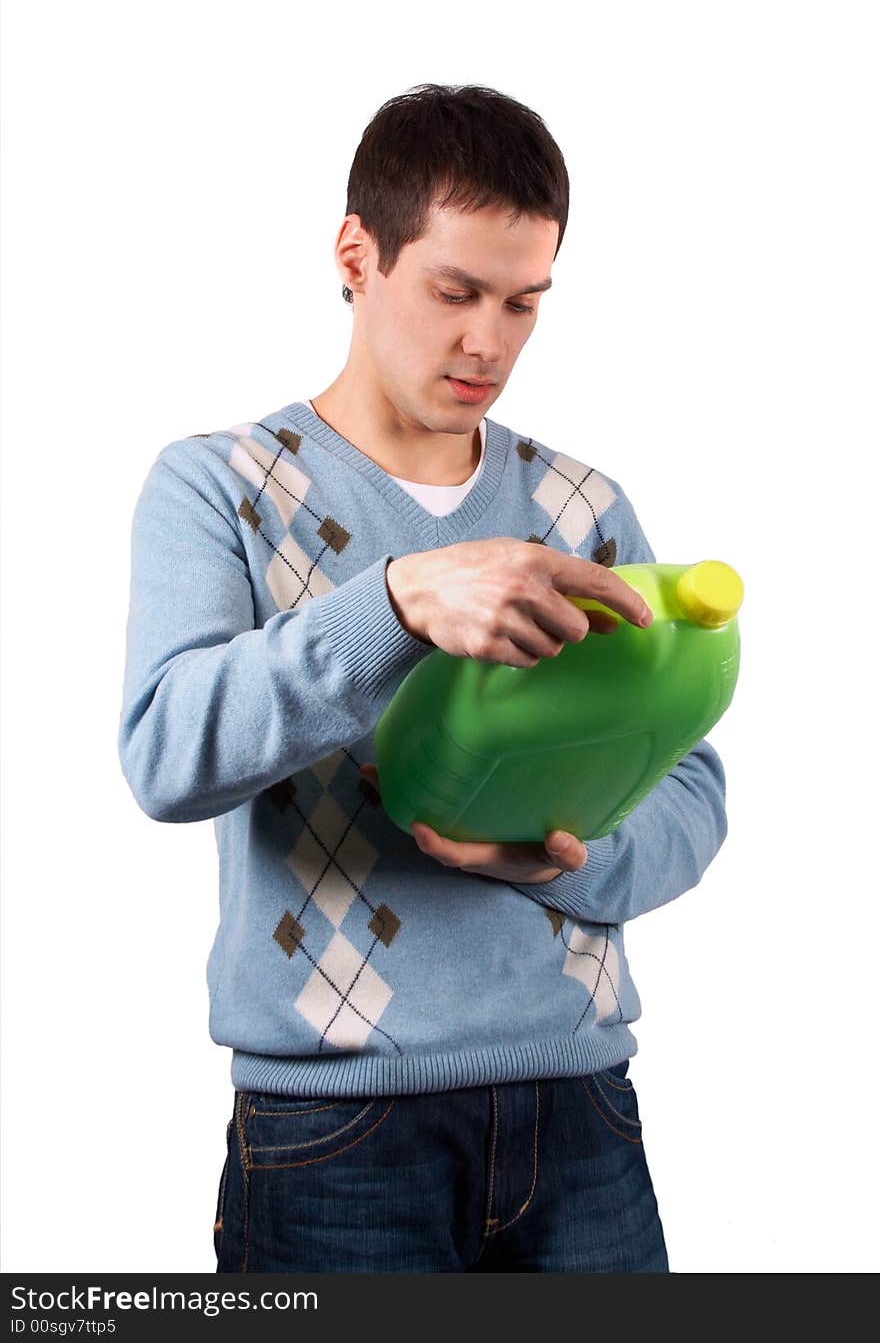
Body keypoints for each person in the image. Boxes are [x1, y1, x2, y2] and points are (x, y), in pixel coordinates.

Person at [118, 82, 727, 1273]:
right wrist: (393, 602)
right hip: (334, 1133)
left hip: (583, 1107)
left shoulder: (581, 507)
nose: (487, 341)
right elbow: (165, 753)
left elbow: (692, 791)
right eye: (454, 291)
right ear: (357, 252)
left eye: (523, 301)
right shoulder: (221, 485)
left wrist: (565, 860)